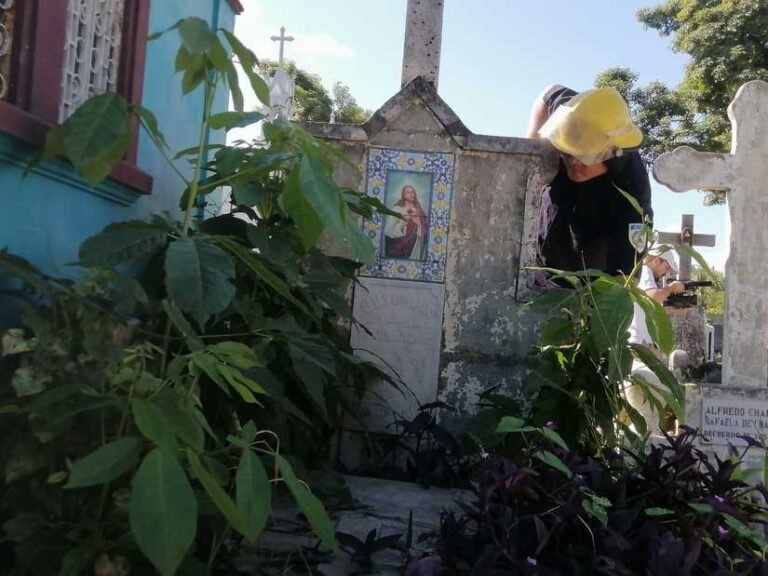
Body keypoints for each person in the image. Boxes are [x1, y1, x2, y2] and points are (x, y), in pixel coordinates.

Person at [527, 85, 653, 277]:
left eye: (584, 156)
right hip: (538, 253)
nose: (574, 162)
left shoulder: (632, 197)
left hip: (584, 284)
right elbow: (549, 93)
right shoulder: (576, 115)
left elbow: (624, 277)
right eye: (568, 154)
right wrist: (532, 150)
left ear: (613, 155)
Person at [625, 247, 685, 433]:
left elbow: (647, 309)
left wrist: (672, 311)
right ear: (657, 260)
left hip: (641, 349)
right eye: (667, 267)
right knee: (650, 412)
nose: (666, 273)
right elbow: (652, 296)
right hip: (640, 350)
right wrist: (671, 288)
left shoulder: (646, 275)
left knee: (645, 412)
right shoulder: (645, 271)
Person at [383, 185, 429, 260]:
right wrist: (404, 222)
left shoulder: (419, 211)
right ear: (403, 195)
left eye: (412, 192)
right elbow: (388, 231)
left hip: (415, 246)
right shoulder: (397, 210)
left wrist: (418, 223)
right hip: (398, 246)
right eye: (408, 192)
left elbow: (425, 231)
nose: (411, 194)